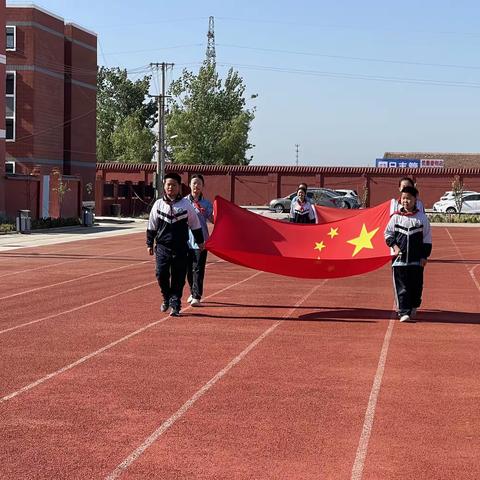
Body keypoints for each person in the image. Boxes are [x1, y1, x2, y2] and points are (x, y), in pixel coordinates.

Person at [146, 172, 204, 317]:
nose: (170, 187)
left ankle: (175, 303)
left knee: (178, 277)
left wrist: (200, 241)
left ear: (179, 187)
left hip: (180, 248)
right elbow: (152, 225)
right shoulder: (158, 205)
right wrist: (149, 243)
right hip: (162, 247)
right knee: (161, 274)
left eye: (174, 185)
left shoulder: (186, 205)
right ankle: (166, 297)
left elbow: (195, 224)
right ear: (164, 186)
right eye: (168, 185)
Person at [384, 186, 432, 323]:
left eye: (409, 198)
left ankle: (413, 306)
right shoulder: (396, 218)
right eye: (404, 198)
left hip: (416, 261)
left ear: (415, 200)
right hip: (399, 260)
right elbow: (387, 234)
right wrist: (394, 246)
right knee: (402, 287)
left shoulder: (422, 218)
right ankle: (403, 312)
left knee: (416, 287)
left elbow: (427, 239)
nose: (406, 201)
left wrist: (424, 256)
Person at [185, 174, 214, 306]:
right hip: (185, 241)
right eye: (194, 183)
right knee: (188, 269)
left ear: (203, 187)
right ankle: (192, 291)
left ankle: (197, 295)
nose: (196, 186)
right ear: (190, 185)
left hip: (201, 241)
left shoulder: (206, 204)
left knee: (198, 269)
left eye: (199, 184)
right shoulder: (184, 202)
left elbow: (213, 219)